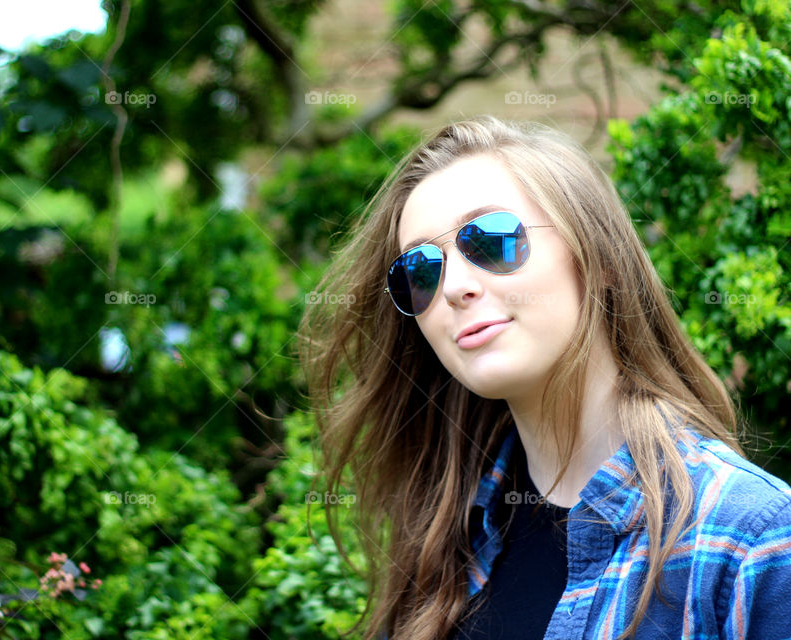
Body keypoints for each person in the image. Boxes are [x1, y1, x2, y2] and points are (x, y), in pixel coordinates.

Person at [298, 116, 791, 640]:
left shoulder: (749, 541)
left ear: (595, 256)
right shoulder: (443, 536)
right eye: (420, 270)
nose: (454, 287)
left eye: (491, 240)